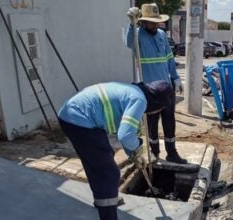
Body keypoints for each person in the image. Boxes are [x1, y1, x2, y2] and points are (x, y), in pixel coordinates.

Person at [58, 80, 173, 220]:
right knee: (108, 173)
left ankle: (105, 198)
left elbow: (126, 131)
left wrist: (134, 154)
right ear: (156, 103)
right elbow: (125, 136)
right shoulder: (139, 100)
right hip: (79, 120)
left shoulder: (134, 92)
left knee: (100, 163)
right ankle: (108, 212)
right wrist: (137, 148)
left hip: (72, 116)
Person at [125, 3, 187, 164]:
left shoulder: (161, 35)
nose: (154, 24)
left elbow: (169, 58)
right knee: (152, 123)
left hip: (166, 88)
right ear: (143, 22)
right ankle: (154, 152)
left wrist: (176, 78)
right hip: (150, 89)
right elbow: (129, 43)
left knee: (169, 121)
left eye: (156, 21)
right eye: (151, 22)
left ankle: (172, 152)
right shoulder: (137, 34)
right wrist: (131, 24)